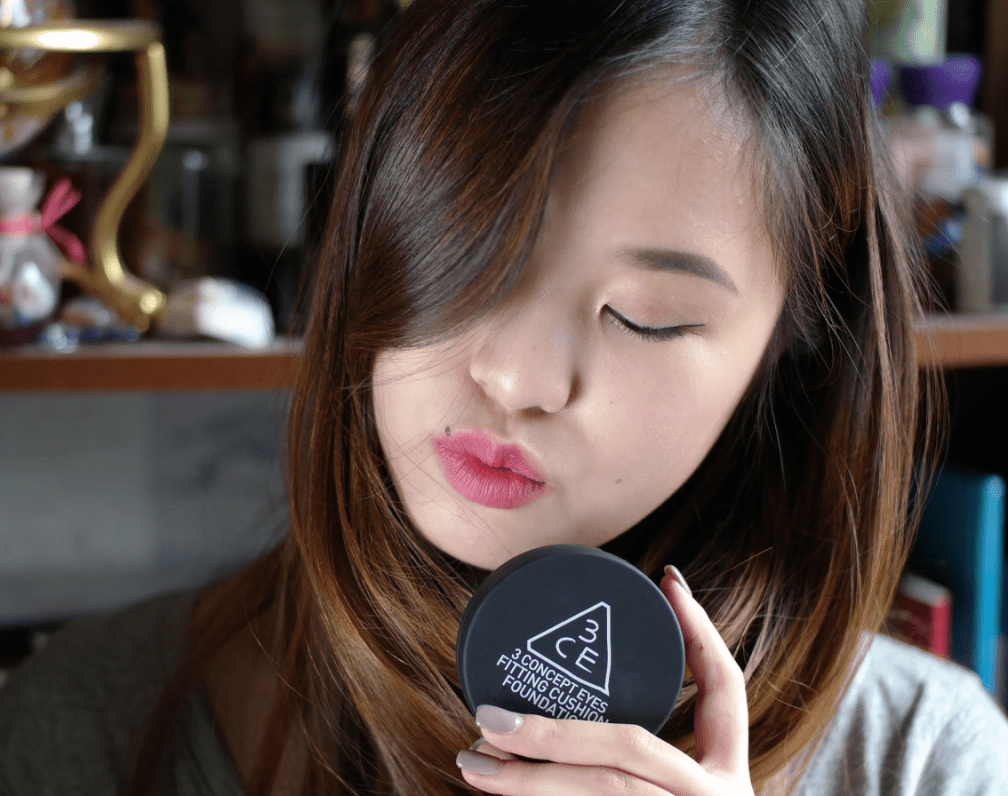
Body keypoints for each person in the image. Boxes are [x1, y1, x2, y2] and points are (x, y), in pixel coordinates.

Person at [3, 0, 1007, 794]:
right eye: (473, 255)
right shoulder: (85, 727)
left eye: (645, 317)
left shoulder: (928, 760)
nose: (520, 380)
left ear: (795, 336)